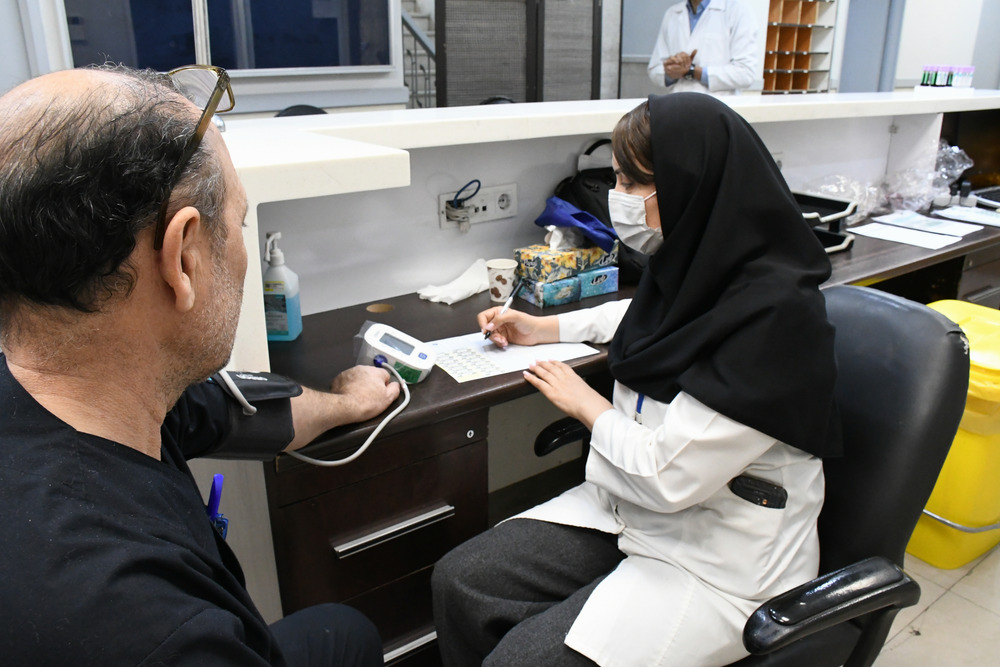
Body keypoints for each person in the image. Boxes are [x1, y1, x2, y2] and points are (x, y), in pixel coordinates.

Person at [0, 64, 401, 666]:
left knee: (341, 631)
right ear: (183, 257)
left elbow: (230, 411)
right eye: (238, 224)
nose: (240, 247)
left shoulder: (89, 382)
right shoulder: (158, 632)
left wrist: (348, 403)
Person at [431, 92, 842, 666]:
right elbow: (647, 316)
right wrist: (543, 328)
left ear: (692, 185)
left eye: (632, 183)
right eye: (616, 180)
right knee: (461, 581)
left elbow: (666, 477)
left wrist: (586, 405)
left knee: (521, 662)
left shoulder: (778, 320)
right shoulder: (701, 262)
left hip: (719, 559)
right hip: (635, 514)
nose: (617, 199)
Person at [647, 0, 758, 95]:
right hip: (678, 105)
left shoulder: (737, 10)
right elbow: (654, 69)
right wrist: (670, 72)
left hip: (718, 107)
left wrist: (694, 72)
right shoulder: (672, 14)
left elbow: (745, 73)